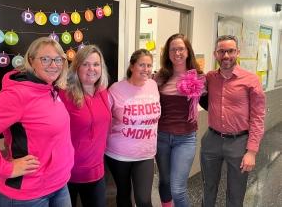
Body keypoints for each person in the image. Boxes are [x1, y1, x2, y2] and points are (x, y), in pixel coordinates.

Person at [0, 37, 74, 207]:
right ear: (31, 61)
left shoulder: (50, 89)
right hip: (29, 195)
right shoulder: (18, 95)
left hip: (59, 185)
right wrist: (6, 168)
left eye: (58, 59)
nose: (53, 65)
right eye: (45, 59)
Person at [200, 35, 266, 207]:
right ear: (215, 54)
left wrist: (251, 151)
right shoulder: (210, 78)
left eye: (230, 51)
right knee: (208, 187)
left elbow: (258, 117)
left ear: (237, 52)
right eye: (222, 51)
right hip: (212, 140)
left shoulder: (251, 80)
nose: (226, 55)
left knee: (236, 192)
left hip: (239, 142)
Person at [105, 49, 161, 207]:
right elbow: (103, 117)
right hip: (119, 154)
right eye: (142, 65)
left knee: (143, 199)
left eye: (149, 65)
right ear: (132, 66)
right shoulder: (116, 89)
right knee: (123, 195)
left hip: (146, 154)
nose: (147, 69)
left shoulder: (153, 85)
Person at [154, 33, 204, 207]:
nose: (177, 53)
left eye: (181, 48)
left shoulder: (199, 76)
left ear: (188, 51)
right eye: (173, 49)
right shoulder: (160, 77)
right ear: (168, 53)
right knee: (164, 182)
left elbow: (211, 102)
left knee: (177, 188)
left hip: (185, 138)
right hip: (161, 137)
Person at [59, 45, 111, 207]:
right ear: (77, 67)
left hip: (96, 171)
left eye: (96, 64)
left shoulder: (103, 92)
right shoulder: (64, 94)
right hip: (68, 173)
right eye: (86, 64)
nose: (91, 69)